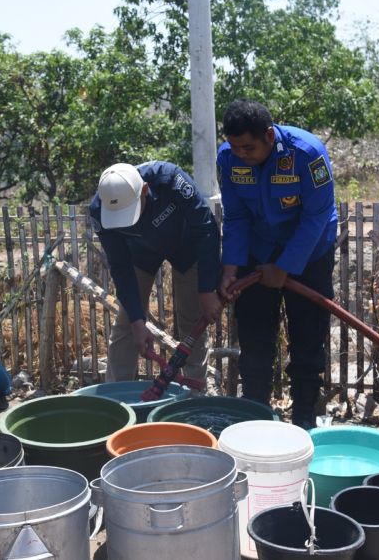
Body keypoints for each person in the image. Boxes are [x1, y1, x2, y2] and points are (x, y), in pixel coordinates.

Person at [216, 99, 338, 430]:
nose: (241, 153)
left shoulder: (307, 153)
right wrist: (231, 267)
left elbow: (316, 216)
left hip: (309, 252)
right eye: (235, 146)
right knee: (254, 341)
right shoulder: (227, 158)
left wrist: (285, 267)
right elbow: (237, 215)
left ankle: (303, 424)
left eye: (248, 147)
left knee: (307, 342)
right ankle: (256, 420)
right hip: (257, 251)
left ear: (269, 135)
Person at [90, 161, 223, 384]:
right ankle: (116, 395)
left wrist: (208, 289)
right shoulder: (100, 210)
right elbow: (120, 266)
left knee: (192, 318)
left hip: (186, 246)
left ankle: (195, 391)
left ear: (144, 189)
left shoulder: (170, 180)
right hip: (140, 254)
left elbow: (206, 229)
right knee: (126, 324)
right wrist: (137, 321)